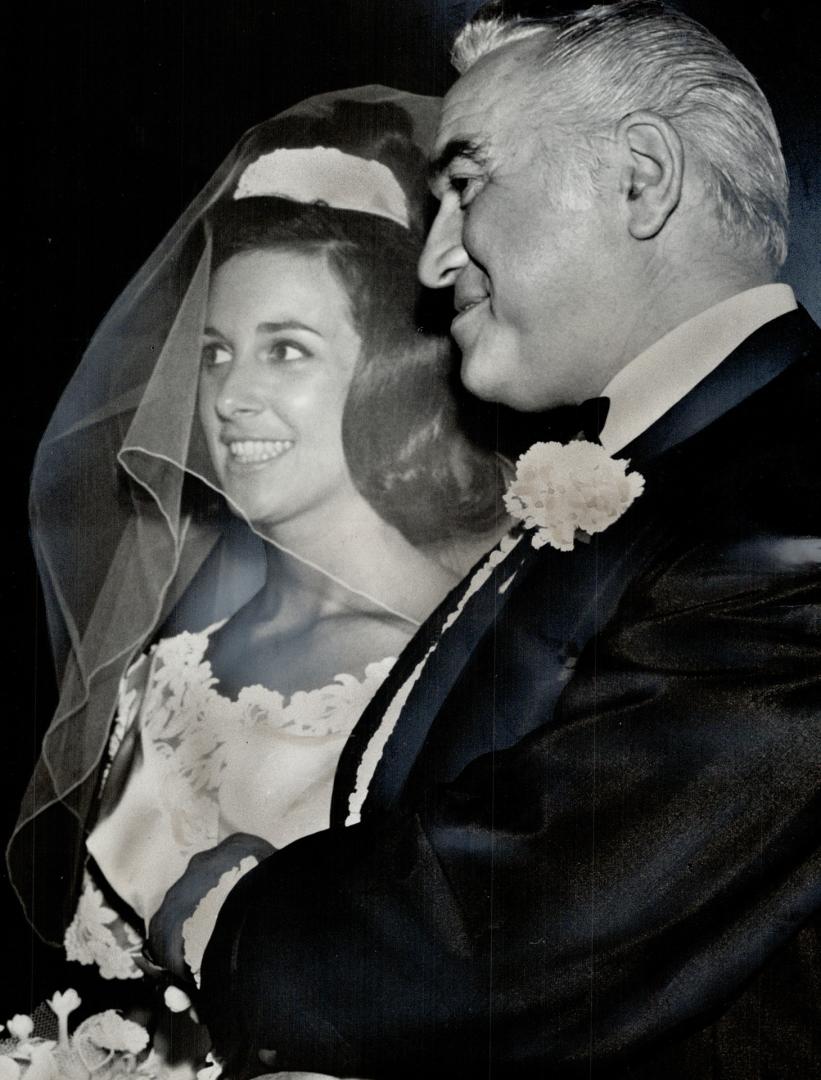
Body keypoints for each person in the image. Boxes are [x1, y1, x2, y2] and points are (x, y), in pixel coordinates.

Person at [187, 3, 820, 1078]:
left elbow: (522, 921)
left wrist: (220, 922)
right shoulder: (682, 458)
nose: (433, 264)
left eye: (468, 186)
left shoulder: (789, 490)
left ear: (639, 179)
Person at [7, 87, 506, 1044]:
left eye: (287, 351)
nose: (231, 397)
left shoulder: (462, 663)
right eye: (216, 353)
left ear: (390, 371)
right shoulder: (171, 655)